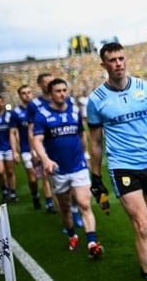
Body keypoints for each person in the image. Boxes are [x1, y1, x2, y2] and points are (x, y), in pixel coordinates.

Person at [87, 42, 147, 280]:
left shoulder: (145, 88)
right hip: (122, 166)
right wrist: (96, 177)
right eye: (112, 60)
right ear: (104, 64)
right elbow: (96, 143)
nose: (118, 63)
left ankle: (145, 258)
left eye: (121, 58)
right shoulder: (96, 100)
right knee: (143, 226)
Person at [32, 78, 104, 258]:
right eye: (58, 91)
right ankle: (72, 235)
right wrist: (45, 159)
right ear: (50, 94)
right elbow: (37, 140)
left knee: (84, 203)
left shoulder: (74, 111)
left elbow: (81, 135)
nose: (62, 93)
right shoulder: (42, 115)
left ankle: (92, 242)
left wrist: (86, 154)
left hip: (78, 165)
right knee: (64, 208)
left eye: (64, 90)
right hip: (57, 169)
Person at [10, 85, 51, 209]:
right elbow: (12, 132)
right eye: (23, 93)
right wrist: (14, 151)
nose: (27, 95)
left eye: (29, 92)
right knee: (32, 177)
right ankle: (35, 195)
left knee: (46, 175)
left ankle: (49, 203)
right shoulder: (16, 113)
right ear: (20, 96)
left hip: (43, 147)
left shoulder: (39, 109)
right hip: (26, 148)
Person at [27, 74, 59, 214]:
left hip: (59, 142)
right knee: (47, 174)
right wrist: (33, 150)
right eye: (47, 82)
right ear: (40, 85)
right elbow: (31, 129)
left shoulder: (60, 99)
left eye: (52, 81)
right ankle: (49, 202)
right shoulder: (34, 104)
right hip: (43, 144)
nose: (50, 84)